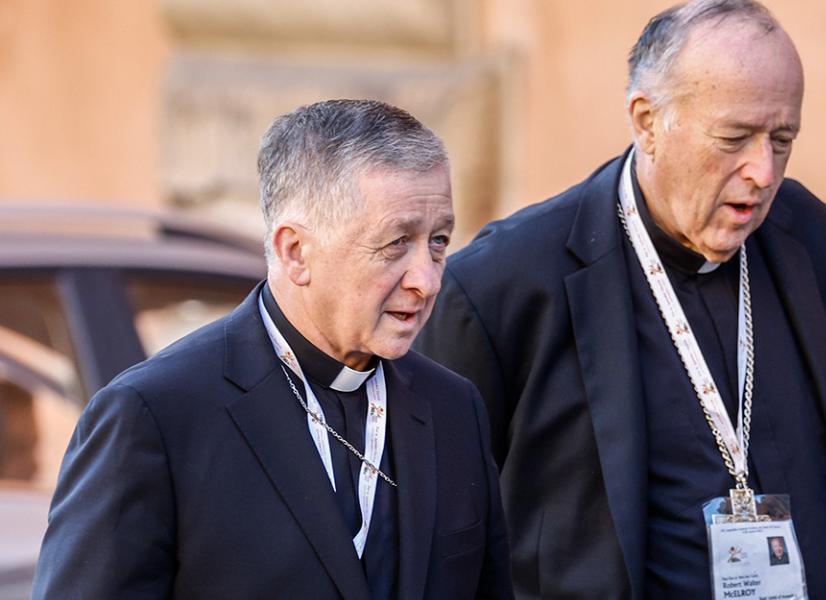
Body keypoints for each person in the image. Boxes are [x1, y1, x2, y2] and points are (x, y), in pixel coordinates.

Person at [415, 1, 826, 598]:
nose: (763, 171)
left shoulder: (815, 241)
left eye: (782, 139)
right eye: (734, 137)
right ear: (648, 121)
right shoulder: (504, 286)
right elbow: (437, 537)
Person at [33, 99, 513, 599]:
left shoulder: (454, 408)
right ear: (295, 251)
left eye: (438, 241)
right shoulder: (155, 416)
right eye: (396, 243)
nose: (428, 280)